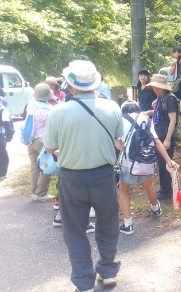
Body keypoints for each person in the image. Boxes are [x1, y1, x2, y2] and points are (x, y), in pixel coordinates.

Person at [43, 60, 124, 291]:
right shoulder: (112, 108)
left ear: (69, 84)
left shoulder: (57, 112)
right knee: (107, 224)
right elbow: (118, 140)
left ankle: (83, 281)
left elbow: (50, 148)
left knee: (75, 229)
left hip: (72, 178)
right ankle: (107, 272)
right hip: (104, 175)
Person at [118, 101, 179, 235]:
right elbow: (156, 141)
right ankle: (156, 208)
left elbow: (116, 142)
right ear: (138, 110)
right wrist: (168, 161)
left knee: (124, 191)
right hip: (145, 159)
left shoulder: (120, 119)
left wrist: (125, 152)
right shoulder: (146, 119)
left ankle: (128, 224)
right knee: (148, 185)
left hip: (127, 163)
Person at [145, 74, 178, 201]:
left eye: (157, 87)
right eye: (154, 87)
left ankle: (166, 191)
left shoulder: (170, 99)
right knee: (162, 163)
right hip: (159, 135)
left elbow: (172, 119)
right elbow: (160, 113)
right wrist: (148, 112)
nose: (155, 89)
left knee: (166, 163)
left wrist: (168, 139)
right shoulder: (161, 97)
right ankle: (164, 187)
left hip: (165, 136)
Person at [26, 83, 54, 201]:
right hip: (41, 140)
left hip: (30, 139)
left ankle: (33, 192)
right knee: (46, 165)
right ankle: (41, 193)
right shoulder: (48, 109)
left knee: (34, 166)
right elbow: (50, 127)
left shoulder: (30, 104)